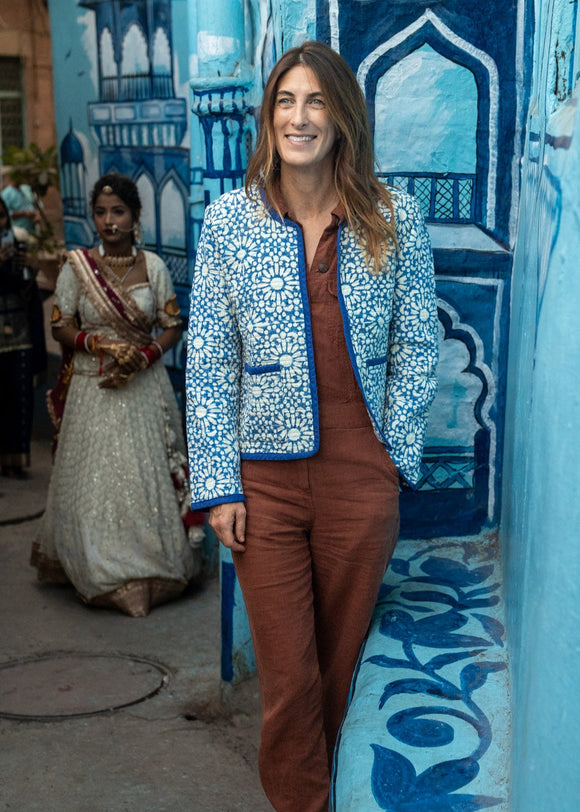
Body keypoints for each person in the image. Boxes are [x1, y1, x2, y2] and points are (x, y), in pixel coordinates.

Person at [186, 41, 438, 812]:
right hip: (263, 484)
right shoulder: (230, 222)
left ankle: (322, 793)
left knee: (337, 664)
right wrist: (219, 484)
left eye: (316, 101)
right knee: (290, 678)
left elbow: (418, 345)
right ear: (269, 118)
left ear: (342, 117)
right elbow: (207, 361)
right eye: (286, 101)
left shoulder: (391, 217)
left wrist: (394, 456)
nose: (300, 117)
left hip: (361, 482)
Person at [31, 173, 204, 617]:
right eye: (102, 213)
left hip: (143, 390)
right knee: (96, 482)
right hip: (94, 388)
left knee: (146, 479)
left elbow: (172, 326)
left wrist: (144, 357)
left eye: (119, 212)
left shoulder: (154, 267)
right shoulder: (77, 269)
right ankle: (98, 567)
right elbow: (59, 324)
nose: (110, 221)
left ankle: (154, 567)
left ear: (135, 216)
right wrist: (99, 344)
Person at [0, 197, 46, 479]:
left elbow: (28, 288)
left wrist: (30, 266)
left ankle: (15, 461)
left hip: (20, 334)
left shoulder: (16, 245)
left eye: (1, 217)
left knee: (20, 398)